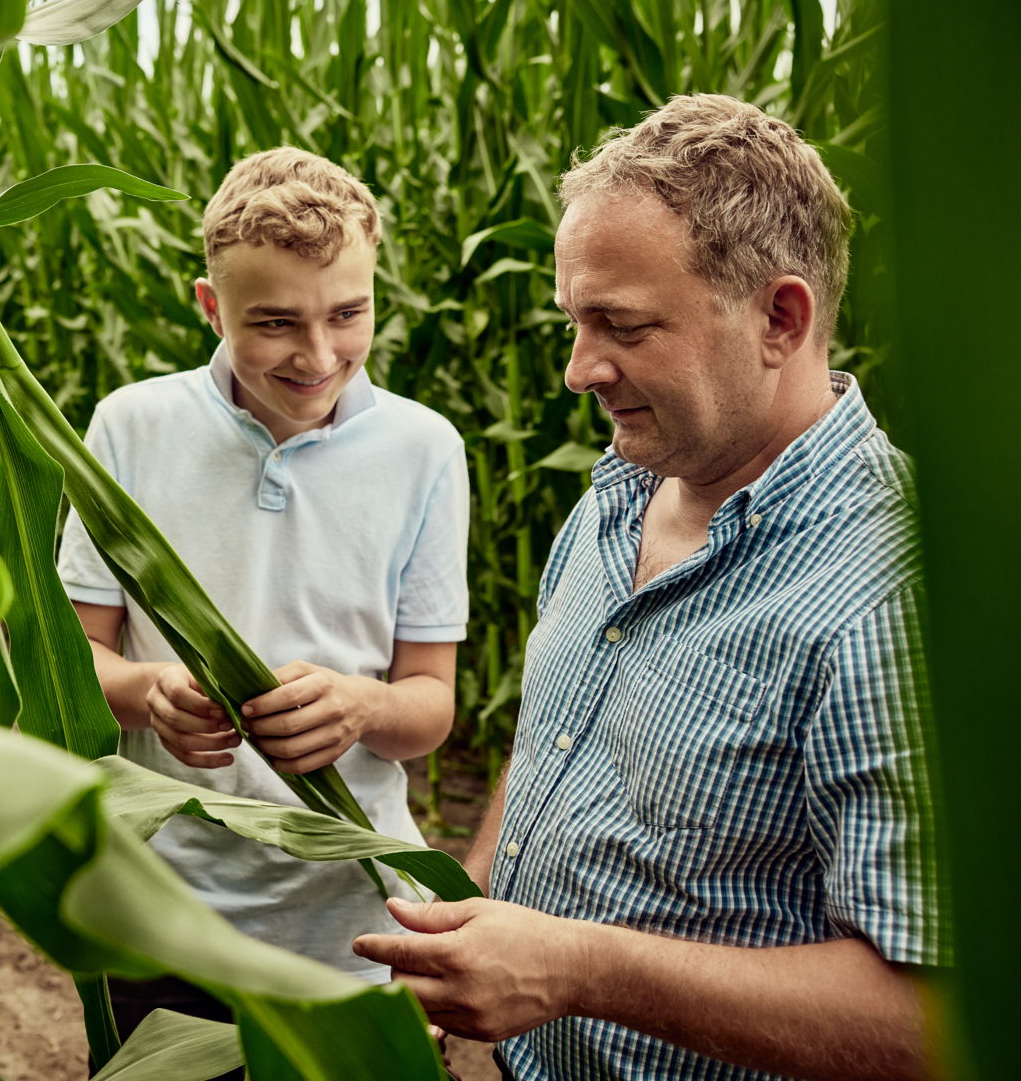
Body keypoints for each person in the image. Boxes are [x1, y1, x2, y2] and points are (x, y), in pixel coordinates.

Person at [354, 94, 944, 1081]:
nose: (580, 370)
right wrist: (468, 923)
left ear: (778, 318)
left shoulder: (891, 598)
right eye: (573, 323)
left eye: (619, 326)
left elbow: (931, 1023)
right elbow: (556, 737)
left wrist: (577, 972)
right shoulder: (619, 492)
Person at [56, 147, 471, 1063]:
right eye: (274, 322)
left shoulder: (425, 451)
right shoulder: (129, 428)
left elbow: (427, 706)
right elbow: (76, 658)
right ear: (209, 306)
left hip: (350, 926)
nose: (317, 354)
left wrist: (362, 705)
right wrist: (148, 691)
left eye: (347, 314)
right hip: (162, 914)